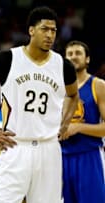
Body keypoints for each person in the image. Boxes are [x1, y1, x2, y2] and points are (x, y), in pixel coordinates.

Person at [0, 6, 79, 203]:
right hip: (15, 146)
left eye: (53, 31)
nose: (50, 35)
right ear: (31, 30)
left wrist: (65, 123)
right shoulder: (6, 59)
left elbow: (73, 96)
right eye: (44, 29)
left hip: (49, 149)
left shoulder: (64, 66)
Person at [61, 40, 105, 203]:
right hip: (61, 157)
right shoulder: (57, 88)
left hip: (89, 156)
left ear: (87, 59)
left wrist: (78, 127)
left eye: (78, 53)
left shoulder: (98, 85)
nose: (74, 57)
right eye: (70, 54)